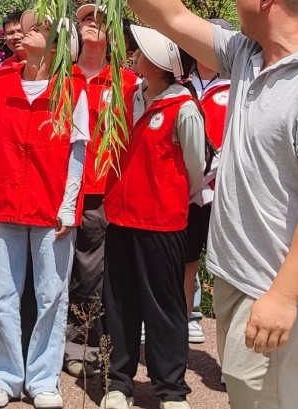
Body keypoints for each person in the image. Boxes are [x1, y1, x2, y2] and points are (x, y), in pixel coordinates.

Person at [74, 0, 298, 409]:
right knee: (249, 400)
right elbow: (171, 16)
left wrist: (284, 295)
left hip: (278, 290)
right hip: (241, 280)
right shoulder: (250, 57)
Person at [0, 10, 89, 409]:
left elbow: (78, 153)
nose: (23, 33)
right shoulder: (0, 85)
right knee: (3, 295)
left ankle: (43, 380)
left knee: (51, 296)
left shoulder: (72, 90)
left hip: (50, 208)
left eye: (35, 29)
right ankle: (4, 376)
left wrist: (69, 205)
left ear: (57, 44)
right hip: (6, 204)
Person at [100, 26, 204, 409]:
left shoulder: (184, 108)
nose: (134, 54)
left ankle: (171, 389)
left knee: (165, 306)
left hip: (163, 222)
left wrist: (170, 197)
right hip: (121, 218)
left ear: (162, 64)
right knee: (120, 303)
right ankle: (118, 384)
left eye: (141, 51)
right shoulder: (127, 97)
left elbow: (195, 168)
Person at [64, 3, 141, 378]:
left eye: (101, 20)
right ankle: (51, 342)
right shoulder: (60, 80)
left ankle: (86, 341)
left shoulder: (129, 83)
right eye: (85, 20)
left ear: (116, 35)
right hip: (60, 191)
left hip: (104, 192)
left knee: (92, 273)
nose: (92, 25)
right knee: (56, 272)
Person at [185, 20, 230, 345]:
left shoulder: (238, 84)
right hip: (184, 187)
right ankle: (183, 318)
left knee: (226, 264)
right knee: (183, 259)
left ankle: (232, 345)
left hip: (224, 189)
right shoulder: (178, 82)